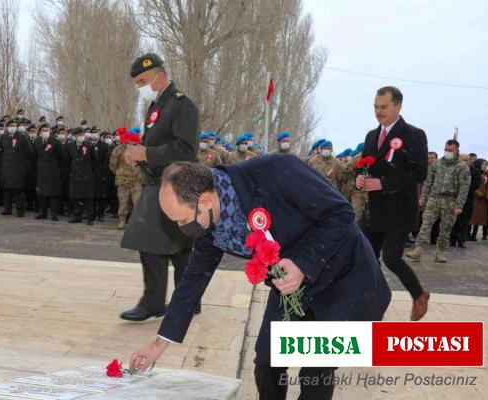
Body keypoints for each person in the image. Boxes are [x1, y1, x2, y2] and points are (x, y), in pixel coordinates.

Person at [128, 158, 391, 400]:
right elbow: (193, 280)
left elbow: (341, 215)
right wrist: (159, 344)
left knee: (315, 368)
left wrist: (302, 265)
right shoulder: (213, 226)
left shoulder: (277, 171)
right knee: (267, 362)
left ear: (205, 201)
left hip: (342, 277)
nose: (181, 228)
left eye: (182, 219)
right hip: (289, 286)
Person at [120, 53, 200, 321]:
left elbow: (186, 148)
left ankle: (155, 302)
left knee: (153, 243)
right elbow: (152, 142)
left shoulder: (182, 105)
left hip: (176, 184)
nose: (142, 87)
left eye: (144, 81)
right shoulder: (156, 107)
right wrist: (137, 156)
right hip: (157, 181)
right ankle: (188, 300)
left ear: (160, 75)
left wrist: (147, 154)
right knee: (177, 246)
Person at [356, 86, 429, 321]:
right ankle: (372, 302)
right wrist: (360, 178)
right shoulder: (370, 136)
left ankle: (418, 294)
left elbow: (419, 173)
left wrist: (384, 183)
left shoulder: (414, 135)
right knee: (366, 257)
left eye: (384, 107)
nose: (379, 112)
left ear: (398, 106)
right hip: (374, 210)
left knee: (391, 258)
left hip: (399, 210)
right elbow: (365, 166)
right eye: (376, 107)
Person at [405, 140, 470, 262]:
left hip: (450, 200)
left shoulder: (462, 167)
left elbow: (464, 188)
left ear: (457, 151)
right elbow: (428, 182)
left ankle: (440, 253)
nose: (448, 152)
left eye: (451, 150)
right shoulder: (437, 164)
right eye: (446, 149)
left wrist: (459, 205)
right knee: (425, 225)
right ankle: (418, 250)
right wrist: (423, 197)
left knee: (446, 228)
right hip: (434, 198)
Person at [109, 127, 142, 230]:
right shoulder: (118, 150)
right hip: (123, 181)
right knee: (123, 202)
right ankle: (122, 221)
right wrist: (120, 173)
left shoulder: (140, 149)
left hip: (137, 181)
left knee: (137, 202)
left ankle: (136, 222)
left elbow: (145, 164)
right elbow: (112, 164)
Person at [0, 119, 32, 217]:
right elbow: (1, 150)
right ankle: (7, 209)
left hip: (18, 168)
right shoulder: (3, 137)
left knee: (18, 191)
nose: (11, 127)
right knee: (6, 191)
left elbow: (29, 152)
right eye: (10, 126)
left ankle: (20, 210)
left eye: (13, 125)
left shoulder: (22, 137)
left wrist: (24, 166)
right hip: (6, 167)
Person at [34, 124, 64, 220]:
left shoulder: (55, 141)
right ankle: (43, 213)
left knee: (53, 194)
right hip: (41, 171)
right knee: (41, 193)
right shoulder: (37, 141)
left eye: (47, 130)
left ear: (50, 131)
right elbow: (35, 156)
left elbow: (61, 156)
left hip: (52, 171)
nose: (45, 132)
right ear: (40, 132)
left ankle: (54, 214)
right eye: (43, 130)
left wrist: (56, 167)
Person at [66, 127, 95, 225]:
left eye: (82, 135)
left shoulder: (89, 145)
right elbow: (67, 160)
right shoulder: (70, 146)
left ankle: (90, 218)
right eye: (79, 135)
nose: (81, 137)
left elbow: (95, 161)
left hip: (86, 176)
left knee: (88, 197)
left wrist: (92, 173)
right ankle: (77, 216)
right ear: (75, 136)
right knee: (75, 197)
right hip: (75, 175)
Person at [450, 153, 479, 248]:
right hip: (454, 199)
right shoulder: (454, 170)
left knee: (464, 221)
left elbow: (475, 185)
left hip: (468, 200)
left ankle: (461, 241)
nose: (465, 162)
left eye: (467, 160)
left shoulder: (474, 171)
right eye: (463, 160)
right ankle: (452, 240)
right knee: (454, 221)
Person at [469, 159, 488, 241]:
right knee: (472, 218)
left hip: (483, 200)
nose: (485, 166)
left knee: (479, 218)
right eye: (483, 164)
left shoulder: (486, 174)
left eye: (486, 164)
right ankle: (467, 234)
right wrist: (478, 193)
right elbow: (471, 185)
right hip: (475, 199)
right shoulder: (474, 173)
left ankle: (474, 235)